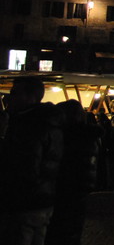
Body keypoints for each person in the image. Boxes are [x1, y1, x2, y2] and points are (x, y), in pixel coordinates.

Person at [0, 77, 64, 245]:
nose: (9, 97)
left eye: (14, 93)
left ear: (30, 97)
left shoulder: (28, 126)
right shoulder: (51, 123)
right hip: (43, 200)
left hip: (23, 203)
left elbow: (24, 166)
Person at [45, 100, 102, 245]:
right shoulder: (89, 135)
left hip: (65, 190)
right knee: (72, 229)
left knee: (61, 230)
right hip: (78, 191)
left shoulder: (70, 137)